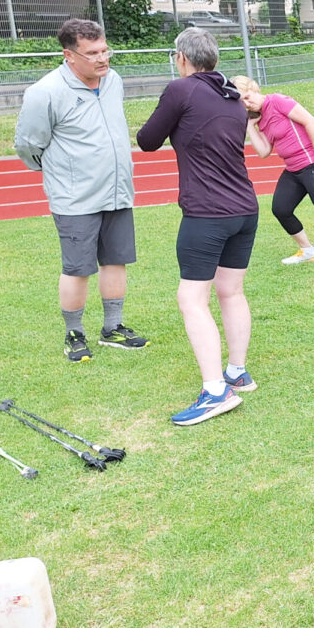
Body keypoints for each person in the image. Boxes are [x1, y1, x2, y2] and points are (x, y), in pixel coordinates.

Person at [136, 28, 260, 426]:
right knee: (231, 291)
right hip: (245, 208)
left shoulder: (182, 89)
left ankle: (215, 391)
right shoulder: (231, 93)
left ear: (181, 59)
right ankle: (237, 371)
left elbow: (147, 140)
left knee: (191, 298)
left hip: (208, 212)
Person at [15, 18, 149, 363]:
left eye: (105, 50)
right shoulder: (45, 92)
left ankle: (113, 327)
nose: (102, 58)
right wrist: (63, 173)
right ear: (69, 55)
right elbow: (28, 144)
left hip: (117, 190)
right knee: (78, 268)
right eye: (92, 53)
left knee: (116, 260)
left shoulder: (113, 80)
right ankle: (74, 333)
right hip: (75, 198)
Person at [229, 75, 314, 280]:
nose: (247, 104)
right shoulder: (261, 117)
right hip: (293, 169)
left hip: (312, 163)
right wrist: (249, 127)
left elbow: (310, 121)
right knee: (281, 209)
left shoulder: (278, 101)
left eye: (247, 97)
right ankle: (309, 251)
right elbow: (264, 152)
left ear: (254, 89)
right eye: (242, 102)